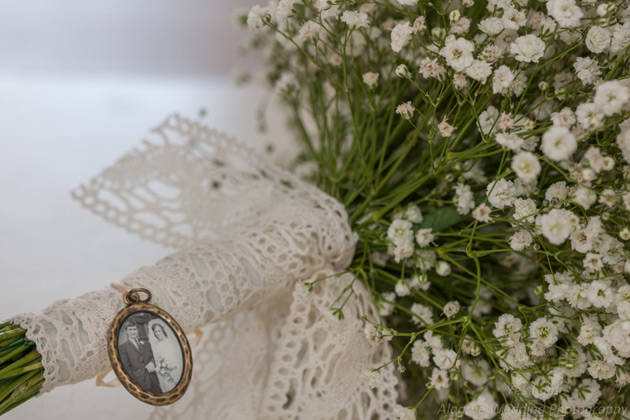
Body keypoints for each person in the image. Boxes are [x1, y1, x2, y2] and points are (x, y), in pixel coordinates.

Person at [118, 323, 162, 394]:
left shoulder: (146, 343)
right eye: (130, 330)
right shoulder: (123, 348)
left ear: (138, 330)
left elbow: (153, 357)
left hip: (153, 378)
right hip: (140, 382)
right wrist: (135, 384)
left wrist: (152, 363)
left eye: (135, 329)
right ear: (126, 331)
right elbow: (127, 368)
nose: (133, 332)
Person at [148, 319, 184, 393]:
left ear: (163, 330)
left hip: (176, 368)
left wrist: (172, 366)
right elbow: (158, 359)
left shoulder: (170, 341)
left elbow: (178, 355)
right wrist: (160, 368)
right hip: (166, 372)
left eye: (159, 331)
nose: (158, 333)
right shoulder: (157, 346)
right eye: (156, 332)